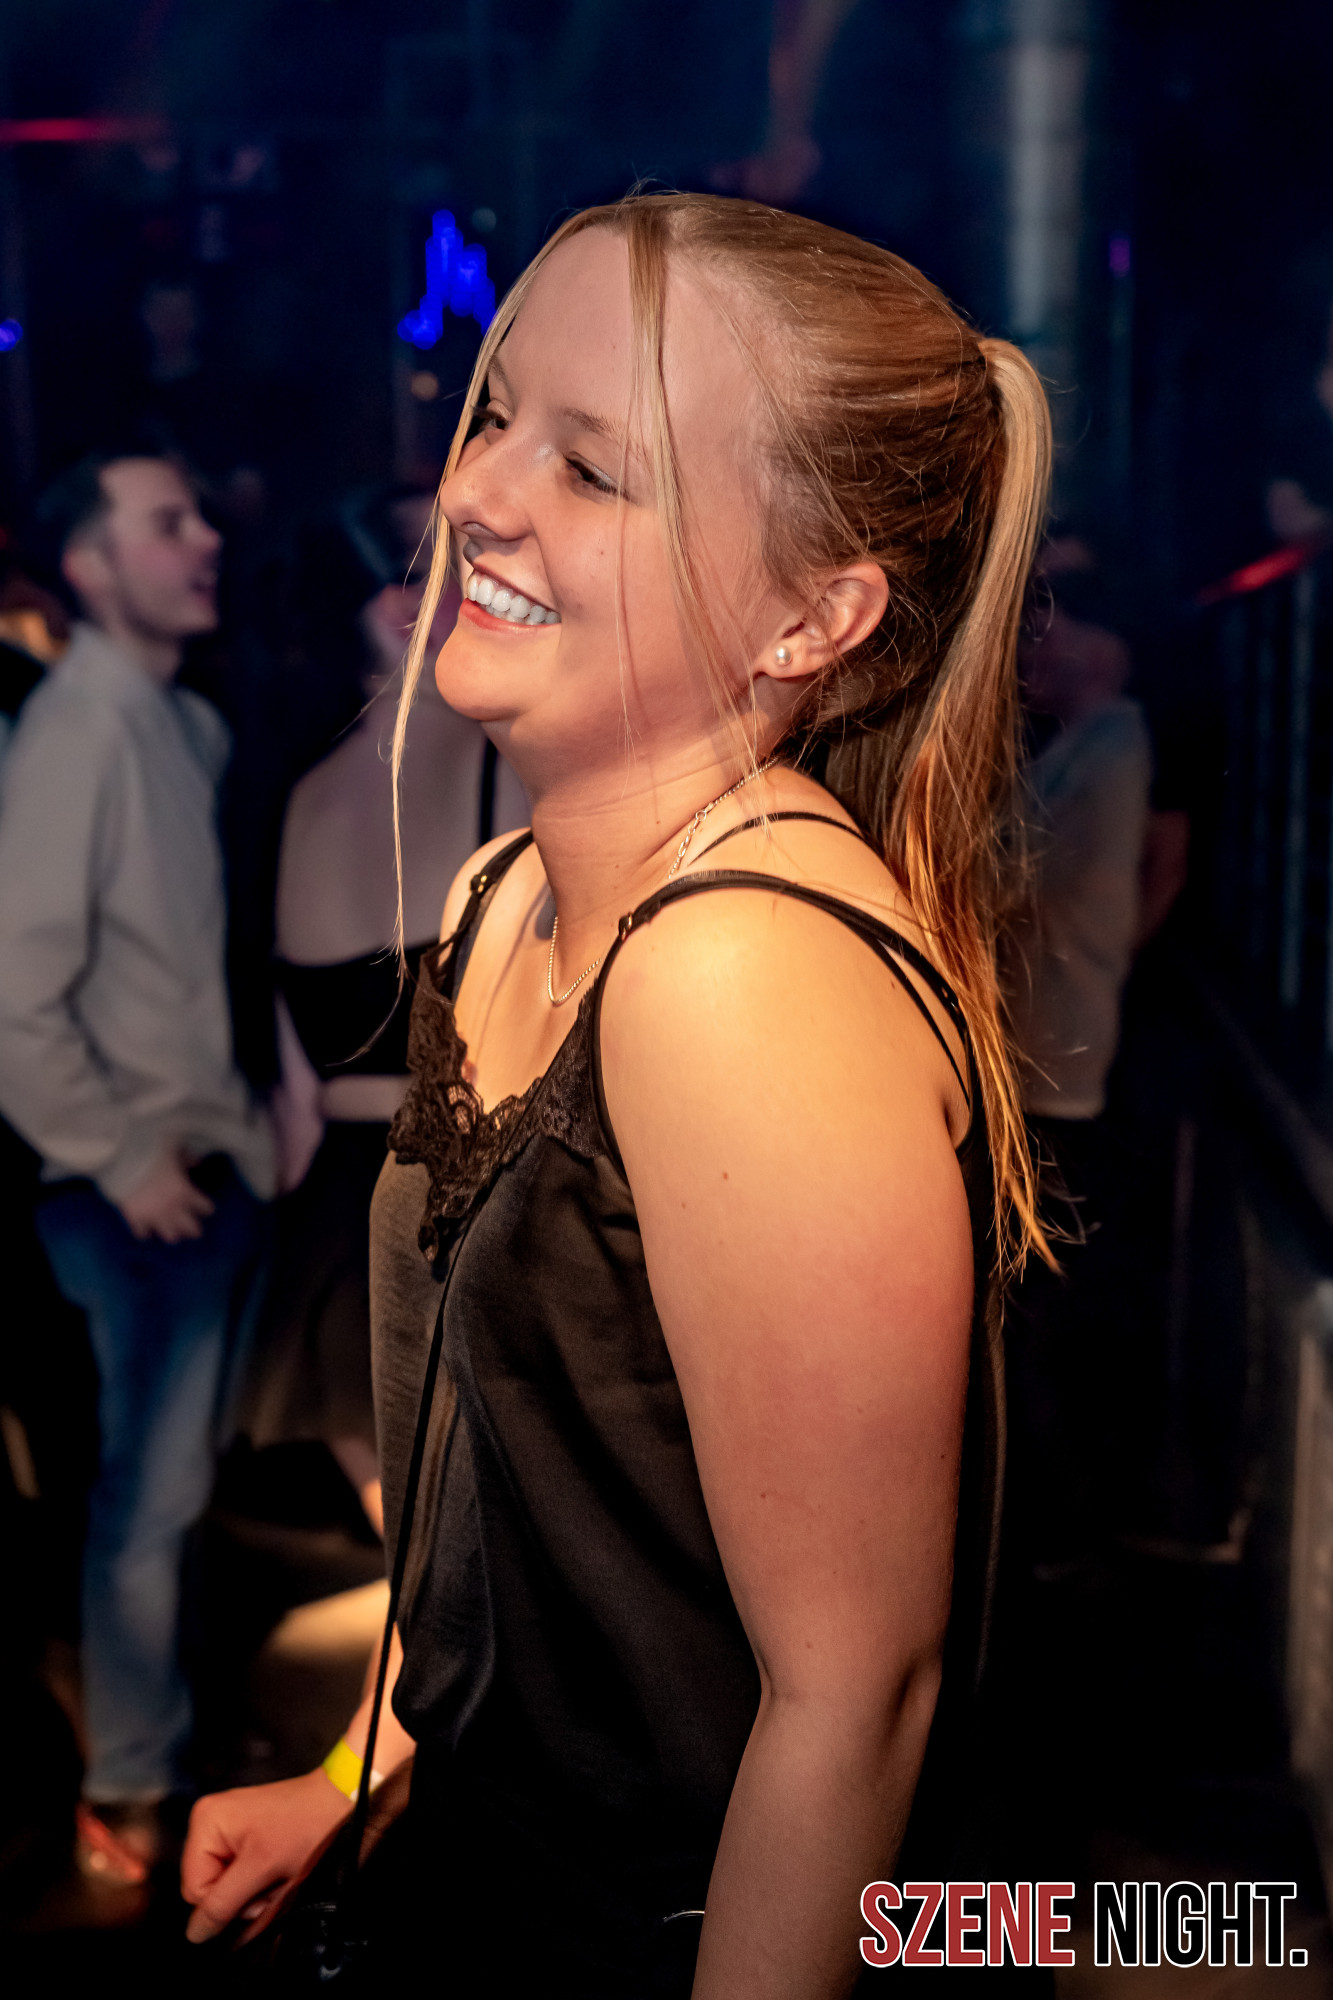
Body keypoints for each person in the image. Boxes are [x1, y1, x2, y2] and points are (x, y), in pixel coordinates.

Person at [182, 192, 1051, 1995]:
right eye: (499, 413)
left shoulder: (741, 977)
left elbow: (853, 1703)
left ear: (811, 616)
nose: (474, 491)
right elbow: (515, 1523)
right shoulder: (504, 899)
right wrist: (358, 1775)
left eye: (593, 469)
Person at [0, 454, 273, 1882]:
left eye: (200, 512)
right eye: (168, 522)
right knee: (145, 1501)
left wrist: (261, 1112)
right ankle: (128, 1782)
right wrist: (117, 1159)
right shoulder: (80, 729)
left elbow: (195, 966)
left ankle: (157, 1745)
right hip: (133, 1195)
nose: (205, 536)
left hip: (203, 1167)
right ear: (92, 568)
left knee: (172, 1494)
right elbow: (11, 995)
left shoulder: (184, 723)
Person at [245, 486, 525, 1533]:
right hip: (457, 1190)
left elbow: (292, 1086)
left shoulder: (290, 794)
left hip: (330, 1216)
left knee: (412, 1554)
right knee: (466, 1559)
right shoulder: (505, 763)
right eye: (445, 564)